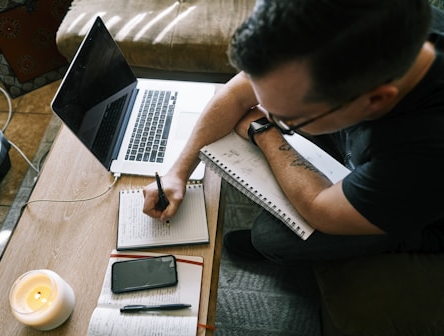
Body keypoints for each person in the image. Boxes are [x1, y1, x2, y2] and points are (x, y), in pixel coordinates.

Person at [142, 0, 444, 265]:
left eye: (288, 119)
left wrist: (264, 130)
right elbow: (236, 95)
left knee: (271, 239)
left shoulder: (423, 154)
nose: (263, 111)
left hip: (416, 200)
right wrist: (177, 173)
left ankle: (406, 242)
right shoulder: (355, 29)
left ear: (375, 100)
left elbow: (320, 208)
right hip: (367, 141)